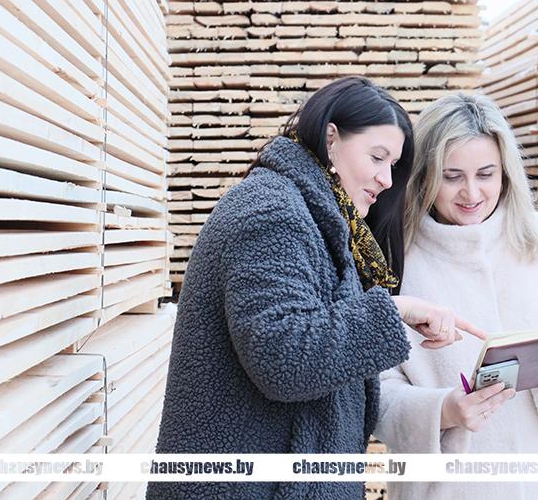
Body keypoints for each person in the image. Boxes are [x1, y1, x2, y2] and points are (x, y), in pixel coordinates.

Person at [147, 77, 485, 500]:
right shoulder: (271, 212)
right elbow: (283, 358)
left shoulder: (315, 217)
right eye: (377, 157)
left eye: (393, 165)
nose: (385, 179)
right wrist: (394, 310)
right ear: (330, 139)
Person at [374, 92, 538, 499]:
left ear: (505, 172)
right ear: (425, 174)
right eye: (452, 176)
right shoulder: (395, 261)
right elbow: (372, 392)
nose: (471, 193)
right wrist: (443, 410)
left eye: (486, 174)